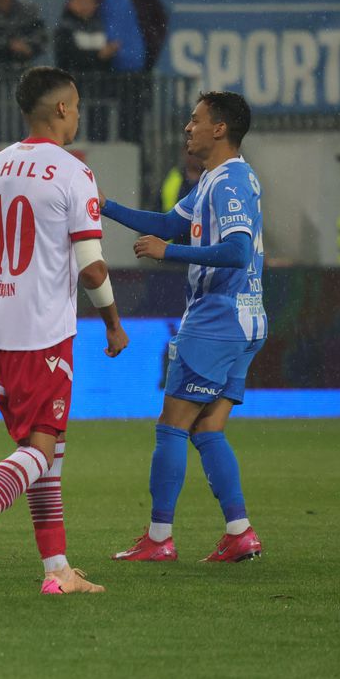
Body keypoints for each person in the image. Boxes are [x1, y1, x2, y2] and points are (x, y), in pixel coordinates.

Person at [0, 66, 128, 597]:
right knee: (39, 451)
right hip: (44, 333)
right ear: (62, 109)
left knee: (47, 452)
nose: (79, 113)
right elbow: (91, 267)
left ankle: (57, 569)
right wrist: (112, 321)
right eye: (78, 104)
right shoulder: (72, 173)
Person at [101, 91, 267, 564]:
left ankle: (158, 539)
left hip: (217, 320)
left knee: (171, 428)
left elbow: (235, 251)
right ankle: (239, 531)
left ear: (220, 129)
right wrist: (104, 205)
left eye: (195, 120)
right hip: (246, 320)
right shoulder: (217, 180)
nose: (187, 128)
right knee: (208, 430)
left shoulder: (229, 182)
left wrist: (167, 253)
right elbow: (166, 223)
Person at [54, 0, 117, 74]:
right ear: (71, 3)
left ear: (95, 4)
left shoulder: (101, 26)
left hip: (100, 82)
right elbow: (66, 58)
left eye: (88, 1)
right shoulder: (64, 28)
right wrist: (98, 55)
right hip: (75, 80)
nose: (84, 6)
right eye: (80, 1)